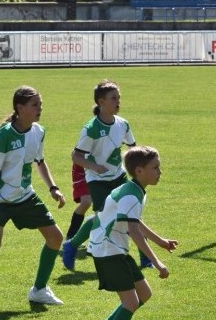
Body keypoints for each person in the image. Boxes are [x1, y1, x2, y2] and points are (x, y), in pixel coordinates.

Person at [0, 86, 67, 312]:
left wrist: (53, 188)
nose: (40, 109)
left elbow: (39, 161)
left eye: (40, 104)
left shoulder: (39, 131)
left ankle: (39, 291)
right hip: (0, 198)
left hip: (25, 195)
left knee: (55, 238)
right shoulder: (3, 136)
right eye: (35, 105)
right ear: (20, 108)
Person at [88, 146, 177, 320]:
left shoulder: (135, 190)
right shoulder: (131, 194)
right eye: (155, 167)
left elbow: (135, 222)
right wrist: (156, 262)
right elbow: (134, 231)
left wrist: (161, 242)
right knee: (130, 302)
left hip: (115, 249)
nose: (160, 171)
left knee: (144, 294)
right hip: (108, 250)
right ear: (139, 171)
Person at [62, 79, 152, 271]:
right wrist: (94, 167)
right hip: (98, 181)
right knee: (104, 218)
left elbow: (132, 148)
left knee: (131, 214)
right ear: (101, 102)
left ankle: (145, 260)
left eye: (119, 98)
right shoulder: (91, 128)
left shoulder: (123, 124)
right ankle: (71, 245)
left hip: (119, 177)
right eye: (113, 98)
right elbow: (76, 156)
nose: (118, 102)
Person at [64, 163, 93, 242]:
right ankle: (71, 236)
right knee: (86, 202)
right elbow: (76, 154)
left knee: (104, 204)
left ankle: (93, 221)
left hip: (103, 171)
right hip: (82, 172)